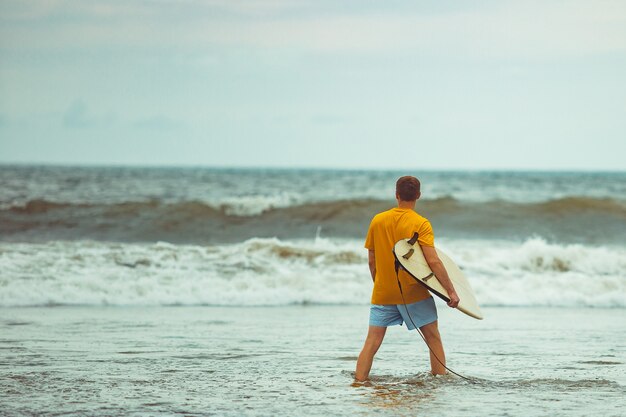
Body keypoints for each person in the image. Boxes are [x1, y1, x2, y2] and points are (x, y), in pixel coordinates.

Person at [354, 175, 460, 382]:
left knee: (372, 341)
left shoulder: (378, 220)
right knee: (432, 338)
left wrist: (380, 284)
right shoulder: (420, 223)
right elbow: (433, 262)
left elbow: (371, 261)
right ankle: (439, 381)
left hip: (383, 292)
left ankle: (359, 381)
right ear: (418, 195)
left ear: (396, 194)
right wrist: (451, 291)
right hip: (413, 293)